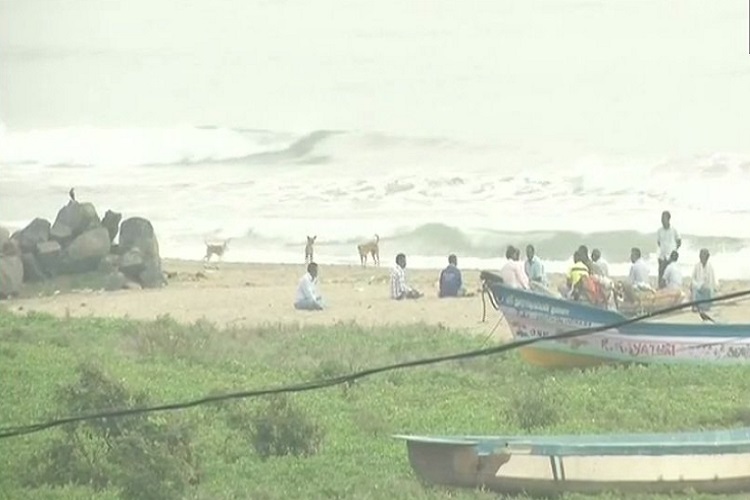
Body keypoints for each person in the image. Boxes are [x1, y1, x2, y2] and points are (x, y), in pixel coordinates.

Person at [657, 210, 682, 289]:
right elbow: (659, 242)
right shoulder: (659, 231)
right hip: (662, 256)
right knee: (661, 276)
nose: (662, 221)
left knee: (670, 276)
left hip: (671, 256)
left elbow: (679, 241)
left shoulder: (674, 230)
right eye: (661, 219)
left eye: (664, 218)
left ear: (668, 219)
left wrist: (674, 250)